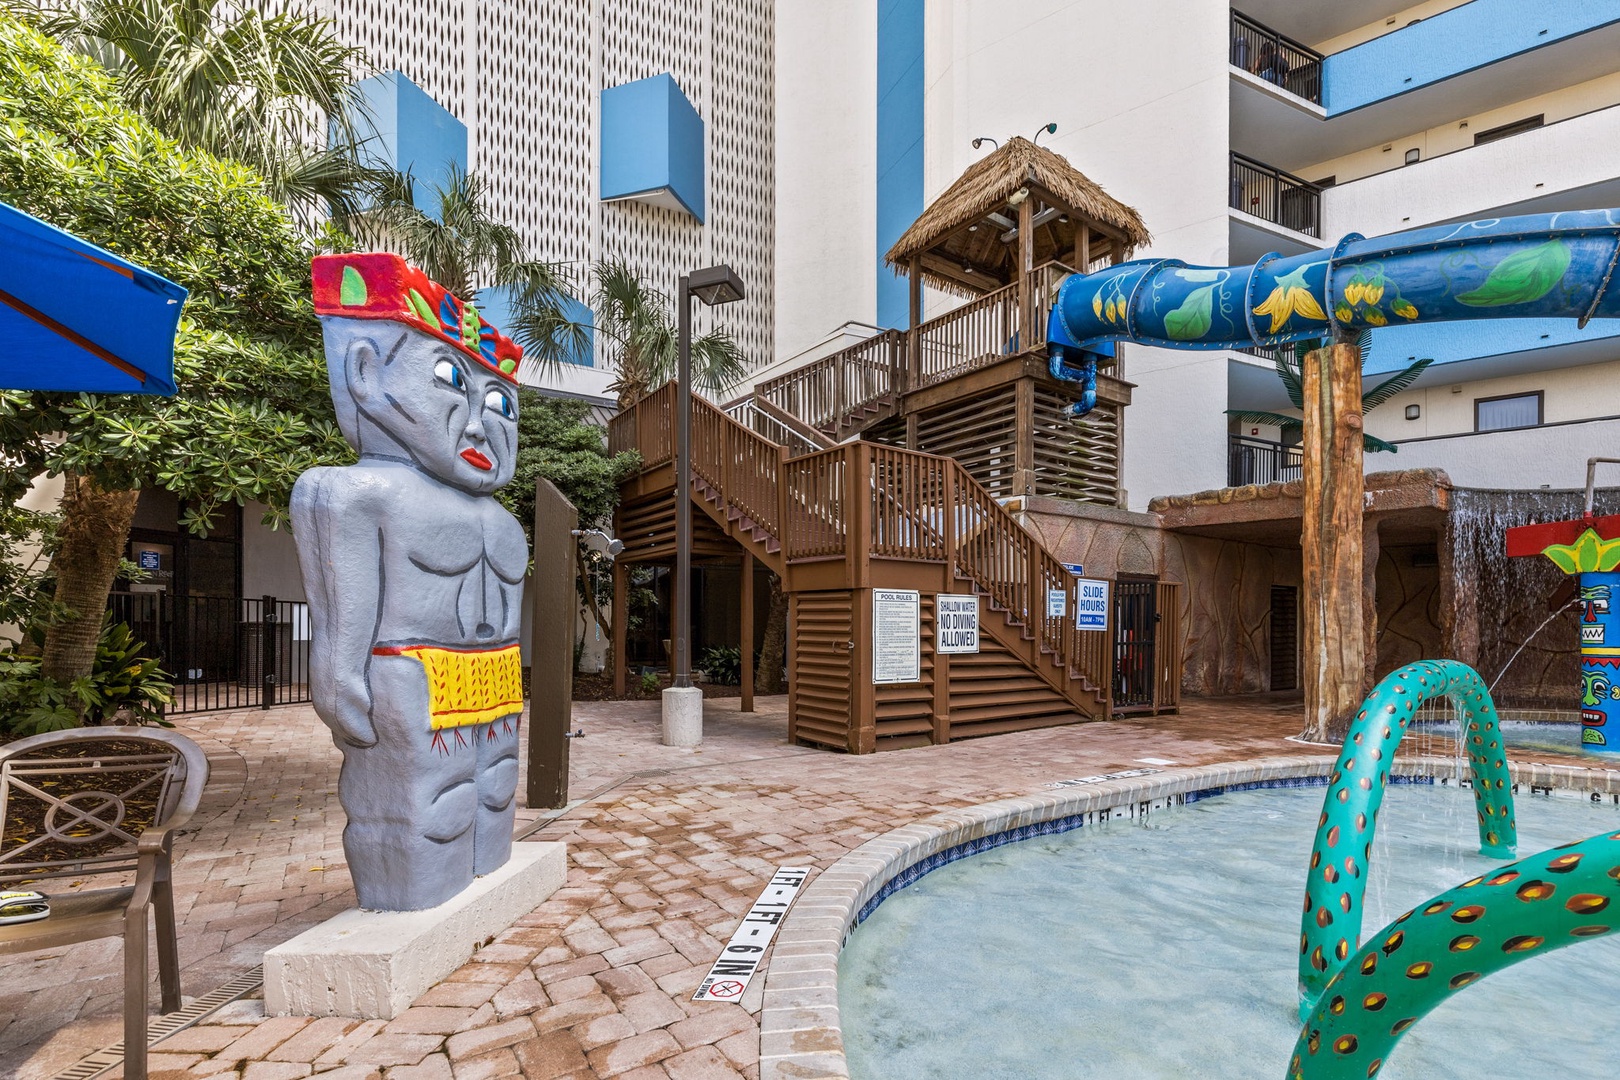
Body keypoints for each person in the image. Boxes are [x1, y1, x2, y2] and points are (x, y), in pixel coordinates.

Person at [292, 253, 528, 911]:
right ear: (365, 372)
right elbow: (344, 602)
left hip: (497, 675)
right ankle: (411, 894)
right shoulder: (357, 492)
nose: (481, 423)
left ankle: (481, 869)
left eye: (501, 404)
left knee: (495, 788)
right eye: (451, 380)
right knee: (428, 801)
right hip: (412, 673)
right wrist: (339, 673)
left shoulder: (506, 524)